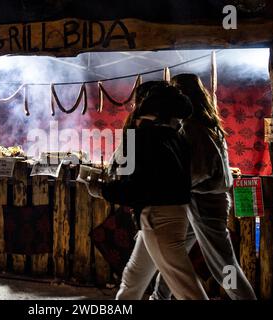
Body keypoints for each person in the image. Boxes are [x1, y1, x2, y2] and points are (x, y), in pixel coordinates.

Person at [89, 81, 208, 300]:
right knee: (134, 278)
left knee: (186, 287)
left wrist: (102, 190)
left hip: (158, 217)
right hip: (172, 214)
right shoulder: (175, 137)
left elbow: (137, 188)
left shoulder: (142, 137)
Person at [151, 73, 257, 300]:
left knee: (223, 265)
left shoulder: (193, 127)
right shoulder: (205, 122)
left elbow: (199, 171)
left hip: (204, 202)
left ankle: (243, 297)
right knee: (175, 255)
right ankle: (159, 297)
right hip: (201, 201)